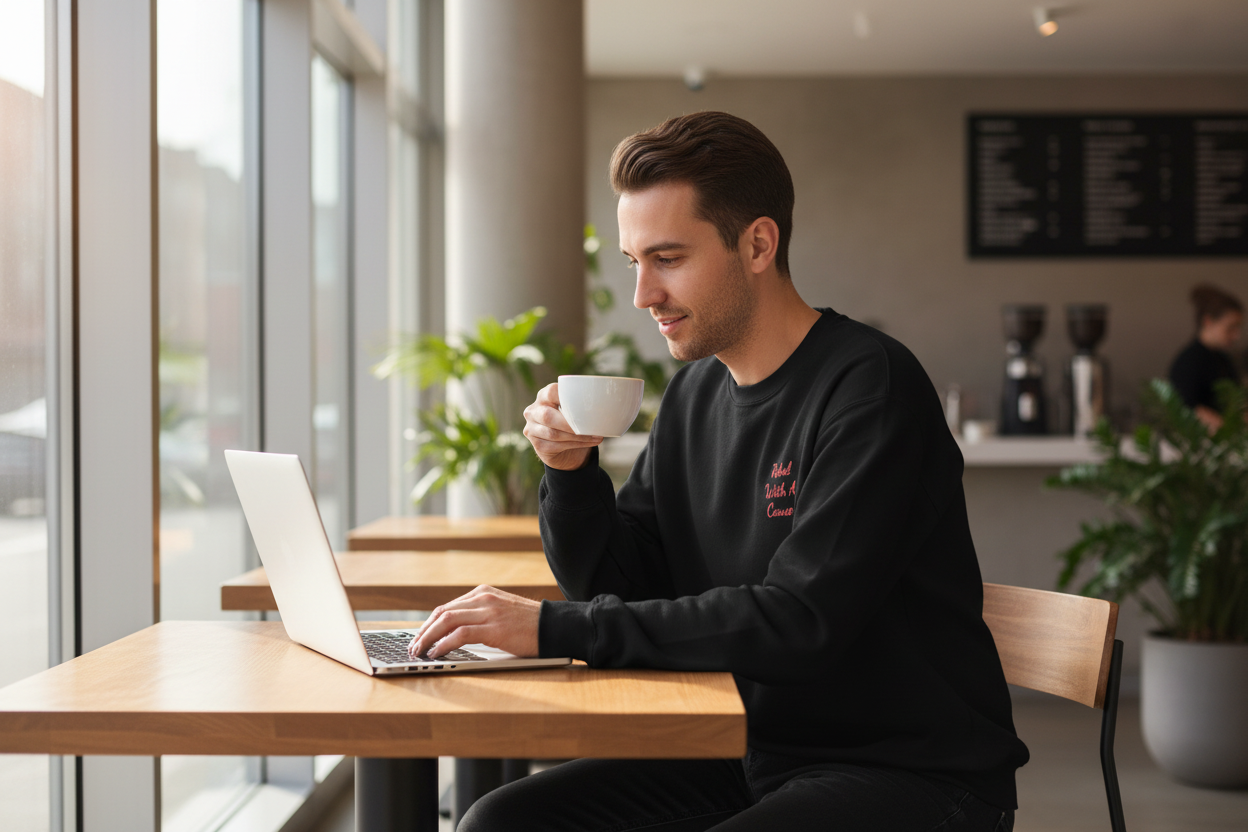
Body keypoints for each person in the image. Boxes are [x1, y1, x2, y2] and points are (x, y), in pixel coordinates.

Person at [408, 111, 1028, 831]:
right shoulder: (696, 393)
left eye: (667, 258)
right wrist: (571, 472)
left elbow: (799, 621)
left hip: (911, 777)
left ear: (758, 243)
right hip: (748, 755)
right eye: (633, 261)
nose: (643, 295)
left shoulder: (870, 387)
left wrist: (550, 629)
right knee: (501, 822)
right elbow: (620, 584)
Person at [1168, 284, 1244, 432]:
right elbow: (1186, 407)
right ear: (1208, 321)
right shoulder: (1189, 361)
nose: (1236, 336)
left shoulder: (1224, 360)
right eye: (1230, 328)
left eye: (1238, 328)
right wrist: (1227, 430)